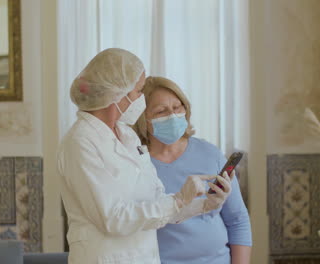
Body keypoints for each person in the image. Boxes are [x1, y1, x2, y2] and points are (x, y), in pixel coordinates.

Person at [56, 48, 232, 263]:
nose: (141, 98)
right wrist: (177, 200)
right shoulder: (80, 142)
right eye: (138, 91)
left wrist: (203, 205)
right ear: (117, 94)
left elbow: (153, 204)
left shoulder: (127, 135)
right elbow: (113, 219)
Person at [134, 76, 252, 264]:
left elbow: (238, 220)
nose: (172, 116)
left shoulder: (210, 154)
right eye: (161, 111)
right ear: (143, 119)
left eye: (177, 107)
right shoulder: (135, 163)